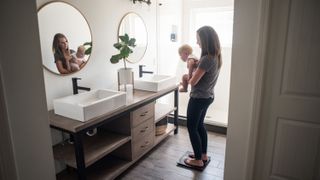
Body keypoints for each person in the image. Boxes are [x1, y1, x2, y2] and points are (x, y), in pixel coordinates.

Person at [184, 26, 222, 168]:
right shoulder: (215, 56)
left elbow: (192, 81)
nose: (197, 42)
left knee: (191, 127)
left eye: (199, 39)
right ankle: (203, 154)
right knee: (199, 125)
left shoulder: (207, 59)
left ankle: (198, 160)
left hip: (198, 98)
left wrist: (190, 68)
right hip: (208, 96)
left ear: (205, 40)